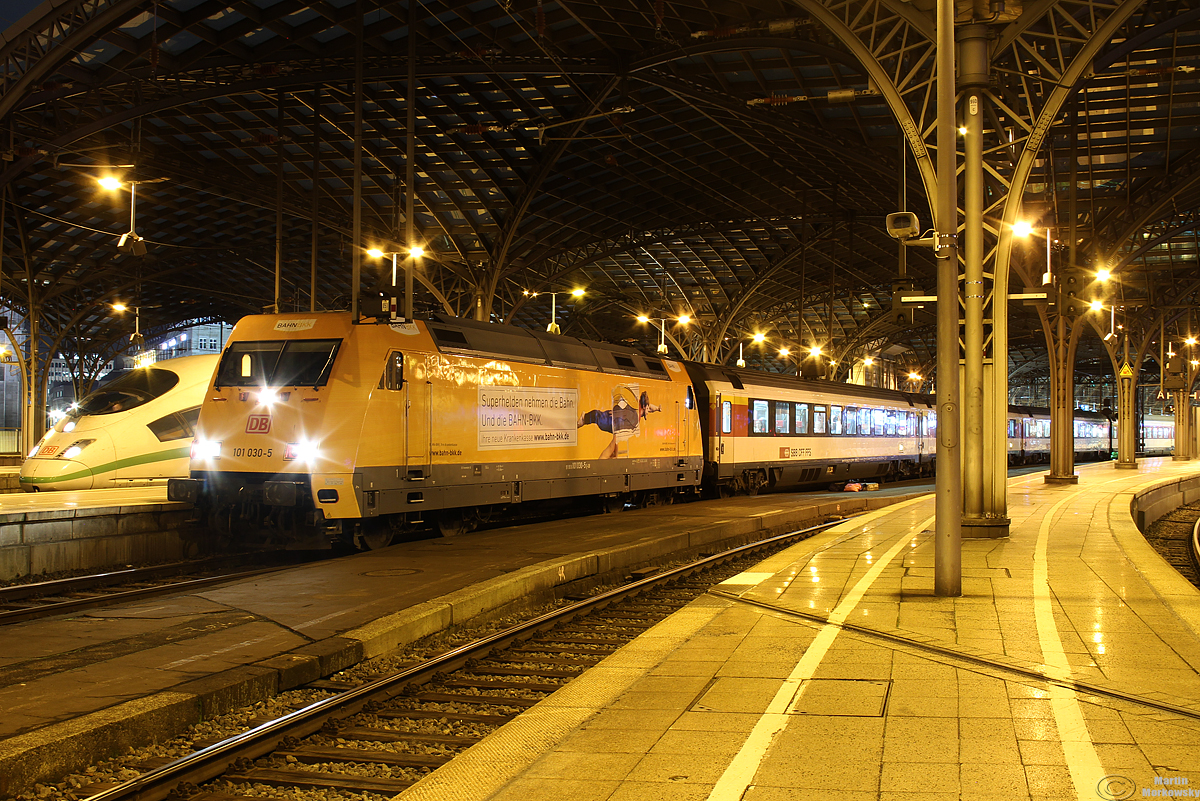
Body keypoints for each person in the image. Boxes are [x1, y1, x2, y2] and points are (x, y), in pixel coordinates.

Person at [578, 389, 662, 458]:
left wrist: (657, 408)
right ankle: (584, 418)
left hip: (617, 424)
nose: (648, 411)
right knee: (599, 417)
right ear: (644, 407)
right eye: (647, 409)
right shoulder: (635, 414)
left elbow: (650, 407)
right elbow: (626, 413)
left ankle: (613, 457)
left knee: (614, 446)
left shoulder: (639, 406)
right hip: (613, 422)